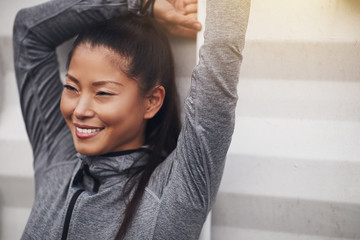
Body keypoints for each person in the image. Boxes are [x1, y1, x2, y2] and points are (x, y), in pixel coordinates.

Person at [13, 0, 250, 239]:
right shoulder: (57, 157)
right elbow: (29, 30)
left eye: (103, 93)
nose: (80, 110)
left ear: (152, 101)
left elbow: (217, 77)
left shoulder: (171, 196)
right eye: (71, 87)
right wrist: (140, 4)